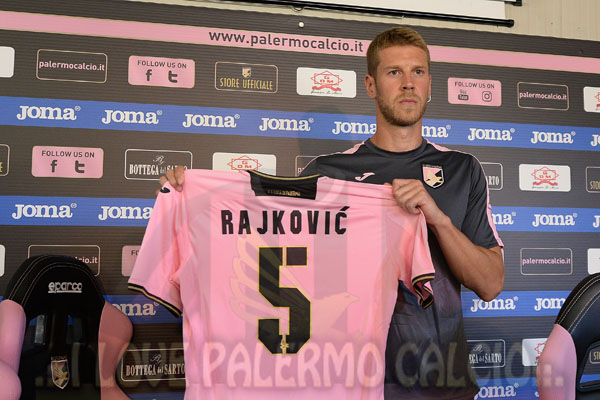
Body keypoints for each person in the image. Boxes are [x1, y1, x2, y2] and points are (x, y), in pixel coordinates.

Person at [162, 27, 504, 400]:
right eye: (394, 72)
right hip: (349, 383)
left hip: (441, 384)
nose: (408, 83)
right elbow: (275, 254)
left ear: (430, 83)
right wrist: (193, 198)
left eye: (417, 72)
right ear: (371, 85)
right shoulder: (329, 173)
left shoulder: (462, 169)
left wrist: (437, 219)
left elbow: (490, 284)